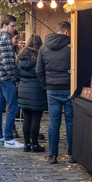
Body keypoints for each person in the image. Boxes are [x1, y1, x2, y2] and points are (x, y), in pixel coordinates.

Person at [37, 21, 74, 164]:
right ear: (66, 32)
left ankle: (53, 155)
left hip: (52, 89)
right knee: (70, 122)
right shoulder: (71, 46)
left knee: (54, 123)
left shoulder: (44, 47)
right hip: (69, 88)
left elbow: (39, 70)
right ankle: (72, 154)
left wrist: (46, 84)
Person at [0, 15, 23, 149]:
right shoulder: (4, 38)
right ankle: (9, 138)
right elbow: (8, 62)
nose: (14, 28)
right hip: (6, 78)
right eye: (12, 25)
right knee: (12, 107)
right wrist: (15, 78)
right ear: (5, 25)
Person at [17, 35, 46, 153]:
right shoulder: (40, 55)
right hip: (37, 89)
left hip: (23, 88)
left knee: (26, 117)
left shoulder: (21, 56)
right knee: (36, 118)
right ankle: (35, 144)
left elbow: (16, 72)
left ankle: (26, 144)